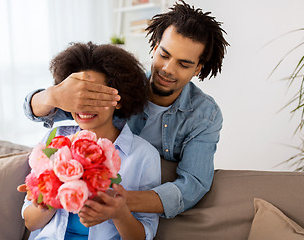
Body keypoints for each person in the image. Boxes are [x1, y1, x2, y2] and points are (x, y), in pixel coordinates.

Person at [23, 1, 229, 220]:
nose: (168, 69)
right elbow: (47, 111)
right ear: (155, 46)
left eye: (184, 64)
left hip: (138, 209)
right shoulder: (120, 86)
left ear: (198, 68)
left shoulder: (205, 116)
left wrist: (112, 200)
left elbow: (193, 185)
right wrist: (52, 95)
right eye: (164, 55)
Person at [21, 42, 161, 240]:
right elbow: (30, 222)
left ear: (119, 99)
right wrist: (50, 194)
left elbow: (143, 236)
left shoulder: (143, 156)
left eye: (94, 96)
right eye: (78, 96)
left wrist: (119, 213)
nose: (84, 106)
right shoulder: (55, 140)